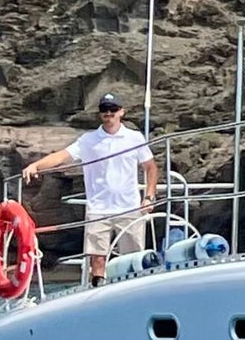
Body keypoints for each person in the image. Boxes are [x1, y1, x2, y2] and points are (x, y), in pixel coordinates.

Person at [24, 94, 158, 285]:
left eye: (113, 110)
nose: (109, 114)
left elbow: (150, 167)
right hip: (99, 208)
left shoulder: (134, 138)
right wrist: (36, 166)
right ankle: (98, 290)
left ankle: (132, 293)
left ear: (121, 112)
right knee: (98, 258)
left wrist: (149, 196)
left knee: (133, 259)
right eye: (105, 110)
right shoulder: (89, 140)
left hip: (130, 207)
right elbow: (63, 156)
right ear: (100, 114)